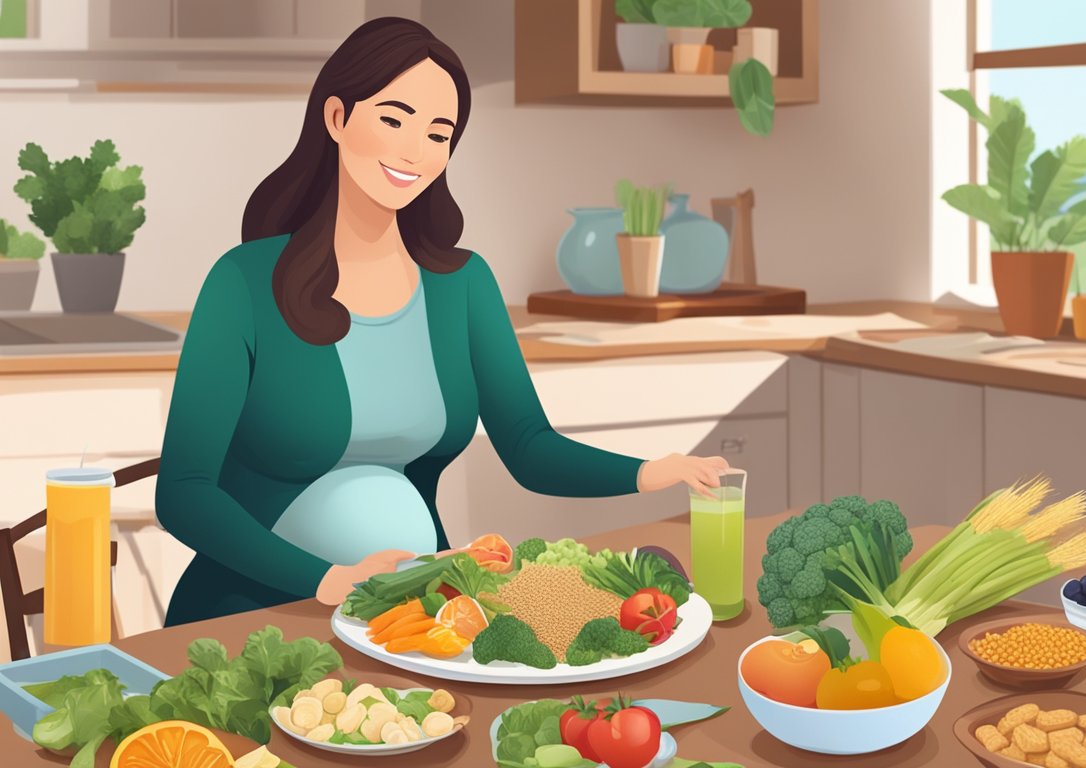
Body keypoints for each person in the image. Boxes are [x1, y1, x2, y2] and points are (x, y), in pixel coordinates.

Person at [156, 17, 727, 625]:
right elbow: (184, 493)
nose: (415, 150)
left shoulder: (461, 284)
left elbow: (529, 447)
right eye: (394, 119)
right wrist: (325, 579)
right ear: (336, 119)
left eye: (438, 133)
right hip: (259, 613)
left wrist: (650, 472)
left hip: (413, 618)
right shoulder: (245, 282)